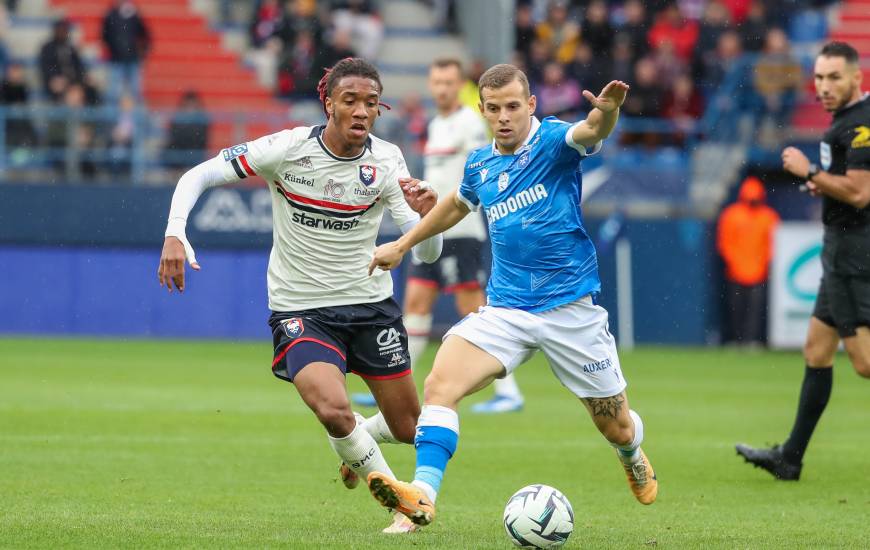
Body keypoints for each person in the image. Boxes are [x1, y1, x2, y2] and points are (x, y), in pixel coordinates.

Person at [156, 58, 443, 532]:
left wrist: (427, 217)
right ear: (328, 103)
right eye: (350, 100)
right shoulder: (287, 148)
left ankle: (359, 449)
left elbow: (428, 255)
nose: (361, 111)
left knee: (410, 427)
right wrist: (174, 232)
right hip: (302, 309)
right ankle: (401, 502)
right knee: (331, 407)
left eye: (371, 103)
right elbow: (199, 175)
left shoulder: (388, 160)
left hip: (371, 308)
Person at [364, 64, 657, 526]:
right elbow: (456, 205)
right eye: (494, 109)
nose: (504, 117)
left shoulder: (553, 142)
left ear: (532, 106)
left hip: (569, 311)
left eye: (513, 107)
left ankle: (632, 452)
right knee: (441, 383)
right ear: (482, 110)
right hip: (505, 311)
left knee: (615, 424)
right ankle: (421, 494)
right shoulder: (480, 163)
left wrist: (611, 110)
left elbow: (592, 127)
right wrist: (402, 244)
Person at [354, 59, 527, 413]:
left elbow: (482, 169)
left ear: (458, 84)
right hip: (432, 230)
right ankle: (394, 385)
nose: (442, 88)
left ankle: (509, 391)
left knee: (473, 307)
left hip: (460, 230)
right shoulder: (436, 124)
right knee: (416, 303)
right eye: (437, 82)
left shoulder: (470, 123)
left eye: (449, 82)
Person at [736, 42, 870, 480]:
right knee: (816, 350)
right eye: (819, 77)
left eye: (834, 77)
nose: (824, 86)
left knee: (865, 361)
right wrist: (824, 185)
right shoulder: (843, 123)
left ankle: (790, 456)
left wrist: (809, 173)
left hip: (854, 252)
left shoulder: (861, 125)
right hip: (839, 248)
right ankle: (790, 458)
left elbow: (860, 192)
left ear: (856, 79)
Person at [716, 176, 780, 346]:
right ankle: (737, 340)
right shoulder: (731, 214)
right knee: (736, 308)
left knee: (755, 310)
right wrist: (735, 262)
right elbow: (725, 242)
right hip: (736, 271)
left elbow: (772, 245)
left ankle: (751, 340)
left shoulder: (769, 217)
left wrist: (763, 263)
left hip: (759, 272)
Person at [101, 0, 150, 104]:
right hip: (116, 59)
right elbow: (104, 36)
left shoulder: (133, 15)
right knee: (113, 92)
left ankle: (137, 117)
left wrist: (143, 51)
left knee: (135, 91)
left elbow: (145, 34)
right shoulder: (110, 15)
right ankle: (111, 118)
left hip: (132, 59)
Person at [37, 19, 85, 103]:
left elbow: (79, 67)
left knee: (91, 90)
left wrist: (79, 81)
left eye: (64, 30)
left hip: (73, 82)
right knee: (60, 90)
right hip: (56, 83)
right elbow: (46, 68)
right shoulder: (48, 48)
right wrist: (54, 79)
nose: (62, 33)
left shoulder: (71, 48)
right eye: (60, 30)